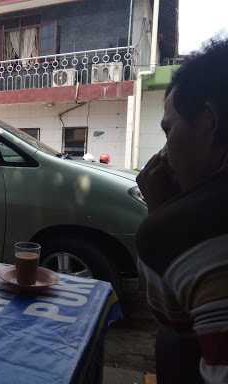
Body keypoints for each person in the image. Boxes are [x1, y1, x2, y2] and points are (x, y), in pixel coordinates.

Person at [136, 39, 228, 383]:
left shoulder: (182, 231)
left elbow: (176, 321)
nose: (164, 154)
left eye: (169, 129)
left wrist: (161, 213)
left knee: (171, 344)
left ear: (208, 121)